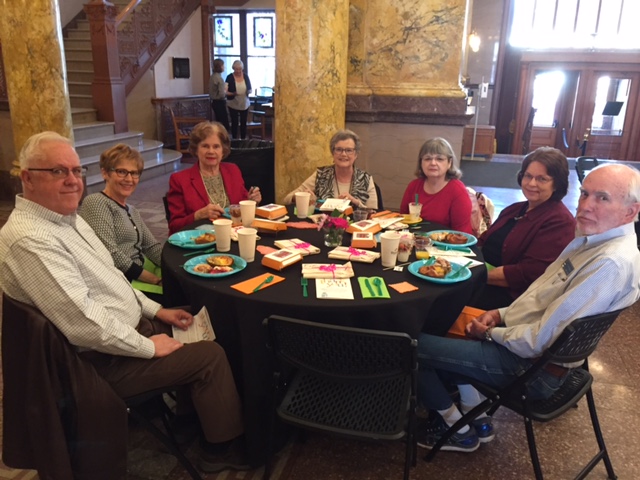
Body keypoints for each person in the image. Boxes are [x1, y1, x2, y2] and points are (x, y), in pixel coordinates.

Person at [0, 132, 248, 473]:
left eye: (76, 170)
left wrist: (157, 310)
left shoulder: (65, 219)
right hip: (99, 363)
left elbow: (113, 279)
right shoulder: (31, 239)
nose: (73, 180)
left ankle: (190, 419)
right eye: (58, 172)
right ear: (27, 177)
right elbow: (83, 325)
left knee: (201, 319)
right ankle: (218, 450)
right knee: (210, 354)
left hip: (124, 332)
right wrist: (148, 346)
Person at [415, 163, 640, 453]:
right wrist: (500, 315)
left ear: (630, 211)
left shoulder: (608, 262)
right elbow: (541, 294)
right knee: (447, 325)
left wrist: (489, 334)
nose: (586, 205)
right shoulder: (592, 241)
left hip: (532, 372)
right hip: (533, 356)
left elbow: (538, 341)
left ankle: (454, 426)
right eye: (585, 194)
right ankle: (477, 415)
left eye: (602, 198)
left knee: (409, 345)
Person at [470, 147, 576, 310]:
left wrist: (471, 276)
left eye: (542, 179)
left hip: (511, 298)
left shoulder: (560, 221)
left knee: (442, 298)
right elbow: (483, 241)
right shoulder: (515, 209)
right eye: (528, 176)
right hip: (483, 278)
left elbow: (525, 274)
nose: (532, 183)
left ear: (556, 184)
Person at [79, 144, 164, 300]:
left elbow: (151, 246)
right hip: (122, 282)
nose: (129, 179)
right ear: (105, 173)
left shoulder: (132, 210)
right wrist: (155, 280)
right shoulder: (96, 202)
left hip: (141, 272)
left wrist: (175, 267)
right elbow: (109, 253)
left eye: (134, 173)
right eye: (122, 172)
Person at [167, 121, 262, 234]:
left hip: (234, 235)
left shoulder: (233, 170)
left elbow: (241, 205)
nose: (211, 151)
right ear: (196, 149)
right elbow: (174, 227)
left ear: (223, 150)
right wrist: (198, 215)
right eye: (205, 146)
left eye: (216, 146)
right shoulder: (179, 180)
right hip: (201, 240)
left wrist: (251, 201)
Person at [282, 129, 378, 209]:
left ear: (356, 154)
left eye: (348, 150)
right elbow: (286, 199)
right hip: (324, 228)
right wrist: (300, 197)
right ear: (333, 153)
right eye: (339, 150)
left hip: (355, 229)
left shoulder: (366, 179)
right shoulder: (321, 175)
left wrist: (355, 202)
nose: (343, 154)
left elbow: (373, 213)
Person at [400, 137, 473, 234]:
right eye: (427, 159)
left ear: (449, 163)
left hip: (448, 246)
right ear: (421, 163)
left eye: (439, 159)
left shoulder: (458, 191)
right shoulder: (413, 186)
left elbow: (461, 235)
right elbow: (402, 222)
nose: (433, 163)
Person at [225, 60, 252, 139]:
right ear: (233, 69)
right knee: (234, 122)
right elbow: (225, 91)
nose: (238, 71)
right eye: (236, 69)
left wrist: (248, 91)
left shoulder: (245, 76)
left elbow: (250, 88)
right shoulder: (229, 77)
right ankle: (234, 140)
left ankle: (243, 140)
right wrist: (233, 93)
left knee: (243, 122)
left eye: (240, 69)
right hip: (233, 102)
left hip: (244, 103)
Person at [209, 58, 230, 132]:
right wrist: (227, 93)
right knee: (224, 125)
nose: (224, 67)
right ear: (219, 66)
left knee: (218, 123)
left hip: (214, 102)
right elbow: (221, 94)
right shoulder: (219, 79)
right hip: (220, 102)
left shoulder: (212, 77)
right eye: (223, 65)